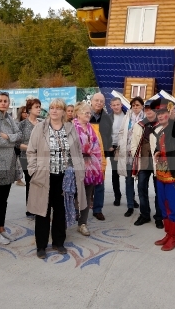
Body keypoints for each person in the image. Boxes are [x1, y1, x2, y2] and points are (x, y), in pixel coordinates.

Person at [26, 98, 86, 259]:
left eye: (58, 108)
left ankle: (59, 242)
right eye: (52, 108)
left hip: (64, 177)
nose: (54, 111)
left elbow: (78, 151)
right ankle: (41, 246)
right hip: (44, 176)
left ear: (64, 111)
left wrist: (79, 171)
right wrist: (33, 171)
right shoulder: (40, 128)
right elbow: (31, 151)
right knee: (42, 211)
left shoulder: (70, 128)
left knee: (60, 211)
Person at [151, 98, 175, 251]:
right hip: (161, 174)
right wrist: (157, 152)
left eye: (164, 112)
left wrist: (173, 119)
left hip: (174, 175)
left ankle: (174, 237)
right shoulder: (161, 131)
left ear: (171, 112)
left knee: (174, 206)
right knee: (163, 204)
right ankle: (167, 234)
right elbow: (158, 148)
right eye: (158, 113)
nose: (160, 116)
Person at [0, 91, 22, 245]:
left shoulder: (9, 118)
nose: (3, 103)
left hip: (11, 162)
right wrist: (11, 138)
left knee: (4, 199)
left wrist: (9, 137)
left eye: (5, 101)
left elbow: (19, 134)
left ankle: (1, 228)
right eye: (0, 100)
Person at [130, 99, 163, 228]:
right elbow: (133, 143)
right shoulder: (139, 125)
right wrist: (135, 155)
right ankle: (144, 215)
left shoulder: (162, 124)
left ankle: (159, 217)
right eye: (147, 109)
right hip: (143, 161)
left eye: (152, 109)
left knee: (159, 191)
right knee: (141, 189)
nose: (149, 112)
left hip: (157, 163)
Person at [72, 101, 103, 236]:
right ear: (78, 114)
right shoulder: (71, 127)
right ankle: (68, 218)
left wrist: (95, 160)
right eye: (86, 113)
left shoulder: (91, 128)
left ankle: (82, 223)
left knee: (87, 195)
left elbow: (97, 145)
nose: (89, 115)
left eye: (89, 113)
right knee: (72, 194)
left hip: (91, 166)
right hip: (75, 166)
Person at [117, 97, 144, 217]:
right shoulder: (127, 116)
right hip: (127, 153)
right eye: (133, 105)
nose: (135, 107)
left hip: (140, 154)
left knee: (142, 183)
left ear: (142, 106)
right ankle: (130, 206)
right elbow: (122, 132)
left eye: (137, 105)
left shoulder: (146, 118)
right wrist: (121, 146)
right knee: (128, 180)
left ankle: (144, 207)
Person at [16, 98, 42, 218]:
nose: (39, 109)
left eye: (39, 107)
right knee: (31, 182)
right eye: (36, 107)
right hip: (26, 158)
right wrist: (31, 148)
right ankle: (31, 208)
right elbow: (17, 143)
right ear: (29, 109)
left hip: (42, 159)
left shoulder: (43, 123)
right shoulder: (21, 125)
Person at [89, 93, 113, 221]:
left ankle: (97, 209)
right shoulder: (84, 115)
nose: (99, 103)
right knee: (83, 183)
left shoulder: (107, 118)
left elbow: (109, 135)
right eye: (96, 100)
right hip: (85, 155)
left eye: (101, 101)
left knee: (99, 183)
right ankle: (80, 208)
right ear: (91, 101)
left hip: (100, 155)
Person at [109, 97, 125, 206]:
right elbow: (105, 133)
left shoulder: (127, 116)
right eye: (113, 105)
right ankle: (117, 196)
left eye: (117, 104)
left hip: (124, 147)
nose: (116, 106)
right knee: (115, 173)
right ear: (111, 106)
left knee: (128, 173)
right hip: (113, 147)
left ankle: (131, 197)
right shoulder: (108, 117)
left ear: (121, 104)